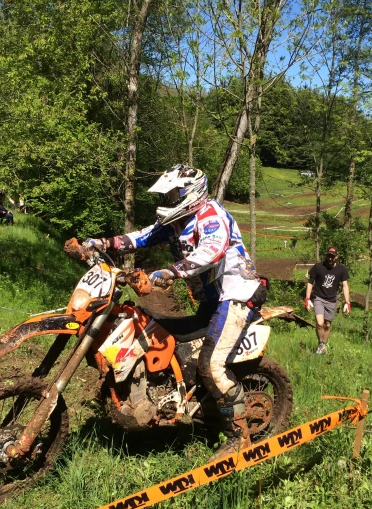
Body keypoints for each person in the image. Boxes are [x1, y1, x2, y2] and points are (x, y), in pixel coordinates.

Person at [85, 164, 266, 462]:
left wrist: (169, 272)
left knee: (212, 365)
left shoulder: (211, 216)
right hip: (212, 300)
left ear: (190, 194)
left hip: (237, 294)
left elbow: (210, 251)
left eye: (172, 194)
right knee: (163, 336)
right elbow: (139, 237)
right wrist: (102, 243)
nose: (167, 200)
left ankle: (239, 438)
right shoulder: (176, 221)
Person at [305, 246, 351, 354]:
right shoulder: (318, 267)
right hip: (318, 298)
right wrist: (307, 298)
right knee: (320, 323)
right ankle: (321, 344)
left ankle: (323, 345)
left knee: (328, 325)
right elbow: (310, 282)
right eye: (328, 256)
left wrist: (347, 302)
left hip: (331, 300)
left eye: (332, 256)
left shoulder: (341, 269)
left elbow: (345, 286)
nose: (330, 258)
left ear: (336, 257)